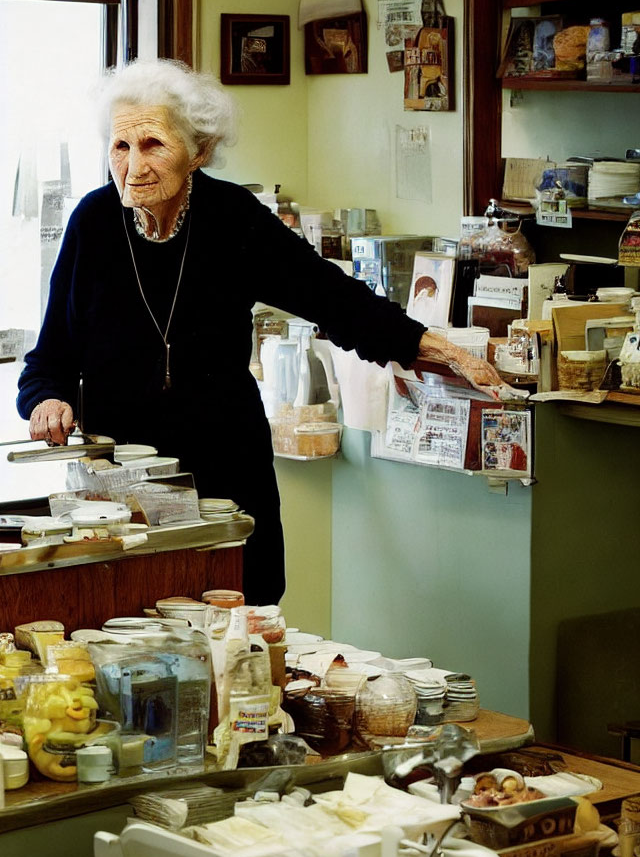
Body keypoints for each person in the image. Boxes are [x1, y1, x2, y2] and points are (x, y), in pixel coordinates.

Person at [17, 59, 505, 605]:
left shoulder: (232, 218)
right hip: (120, 484)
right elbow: (48, 361)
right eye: (120, 147)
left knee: (242, 619)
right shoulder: (93, 222)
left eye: (152, 144)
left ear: (198, 150)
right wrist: (47, 401)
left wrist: (432, 346)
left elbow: (329, 295)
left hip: (227, 467)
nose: (133, 167)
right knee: (127, 625)